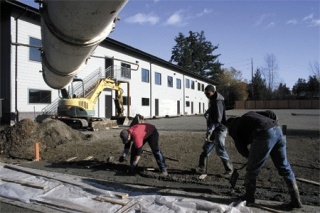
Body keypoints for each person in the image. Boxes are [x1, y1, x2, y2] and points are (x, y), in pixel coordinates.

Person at [226, 111, 302, 209]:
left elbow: (241, 148)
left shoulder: (233, 128)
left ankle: (249, 197)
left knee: (252, 170)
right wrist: (273, 125)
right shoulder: (250, 115)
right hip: (278, 130)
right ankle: (296, 200)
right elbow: (271, 114)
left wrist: (250, 158)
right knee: (284, 166)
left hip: (263, 134)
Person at [196, 84, 233, 177]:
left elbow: (218, 119)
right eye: (205, 94)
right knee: (206, 148)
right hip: (213, 129)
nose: (206, 95)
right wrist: (207, 113)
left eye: (208, 93)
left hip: (220, 129)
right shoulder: (212, 101)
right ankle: (201, 167)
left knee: (220, 149)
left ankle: (229, 170)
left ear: (212, 92)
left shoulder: (218, 102)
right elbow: (211, 110)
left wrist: (210, 129)